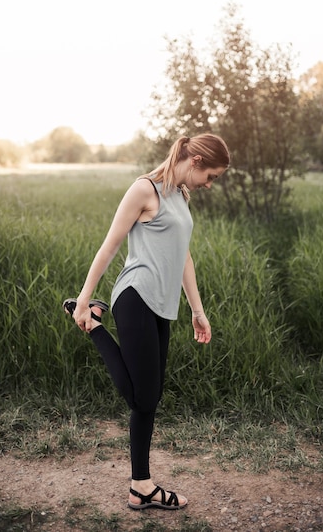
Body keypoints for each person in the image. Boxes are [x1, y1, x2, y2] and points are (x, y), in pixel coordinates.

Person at [64, 133, 230, 510]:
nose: (210, 184)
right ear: (197, 160)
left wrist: (197, 309)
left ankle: (141, 487)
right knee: (143, 396)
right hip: (135, 297)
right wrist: (85, 297)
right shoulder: (145, 189)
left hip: (162, 304)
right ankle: (93, 322)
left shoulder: (181, 196)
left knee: (150, 398)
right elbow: (110, 245)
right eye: (212, 176)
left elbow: (183, 256)